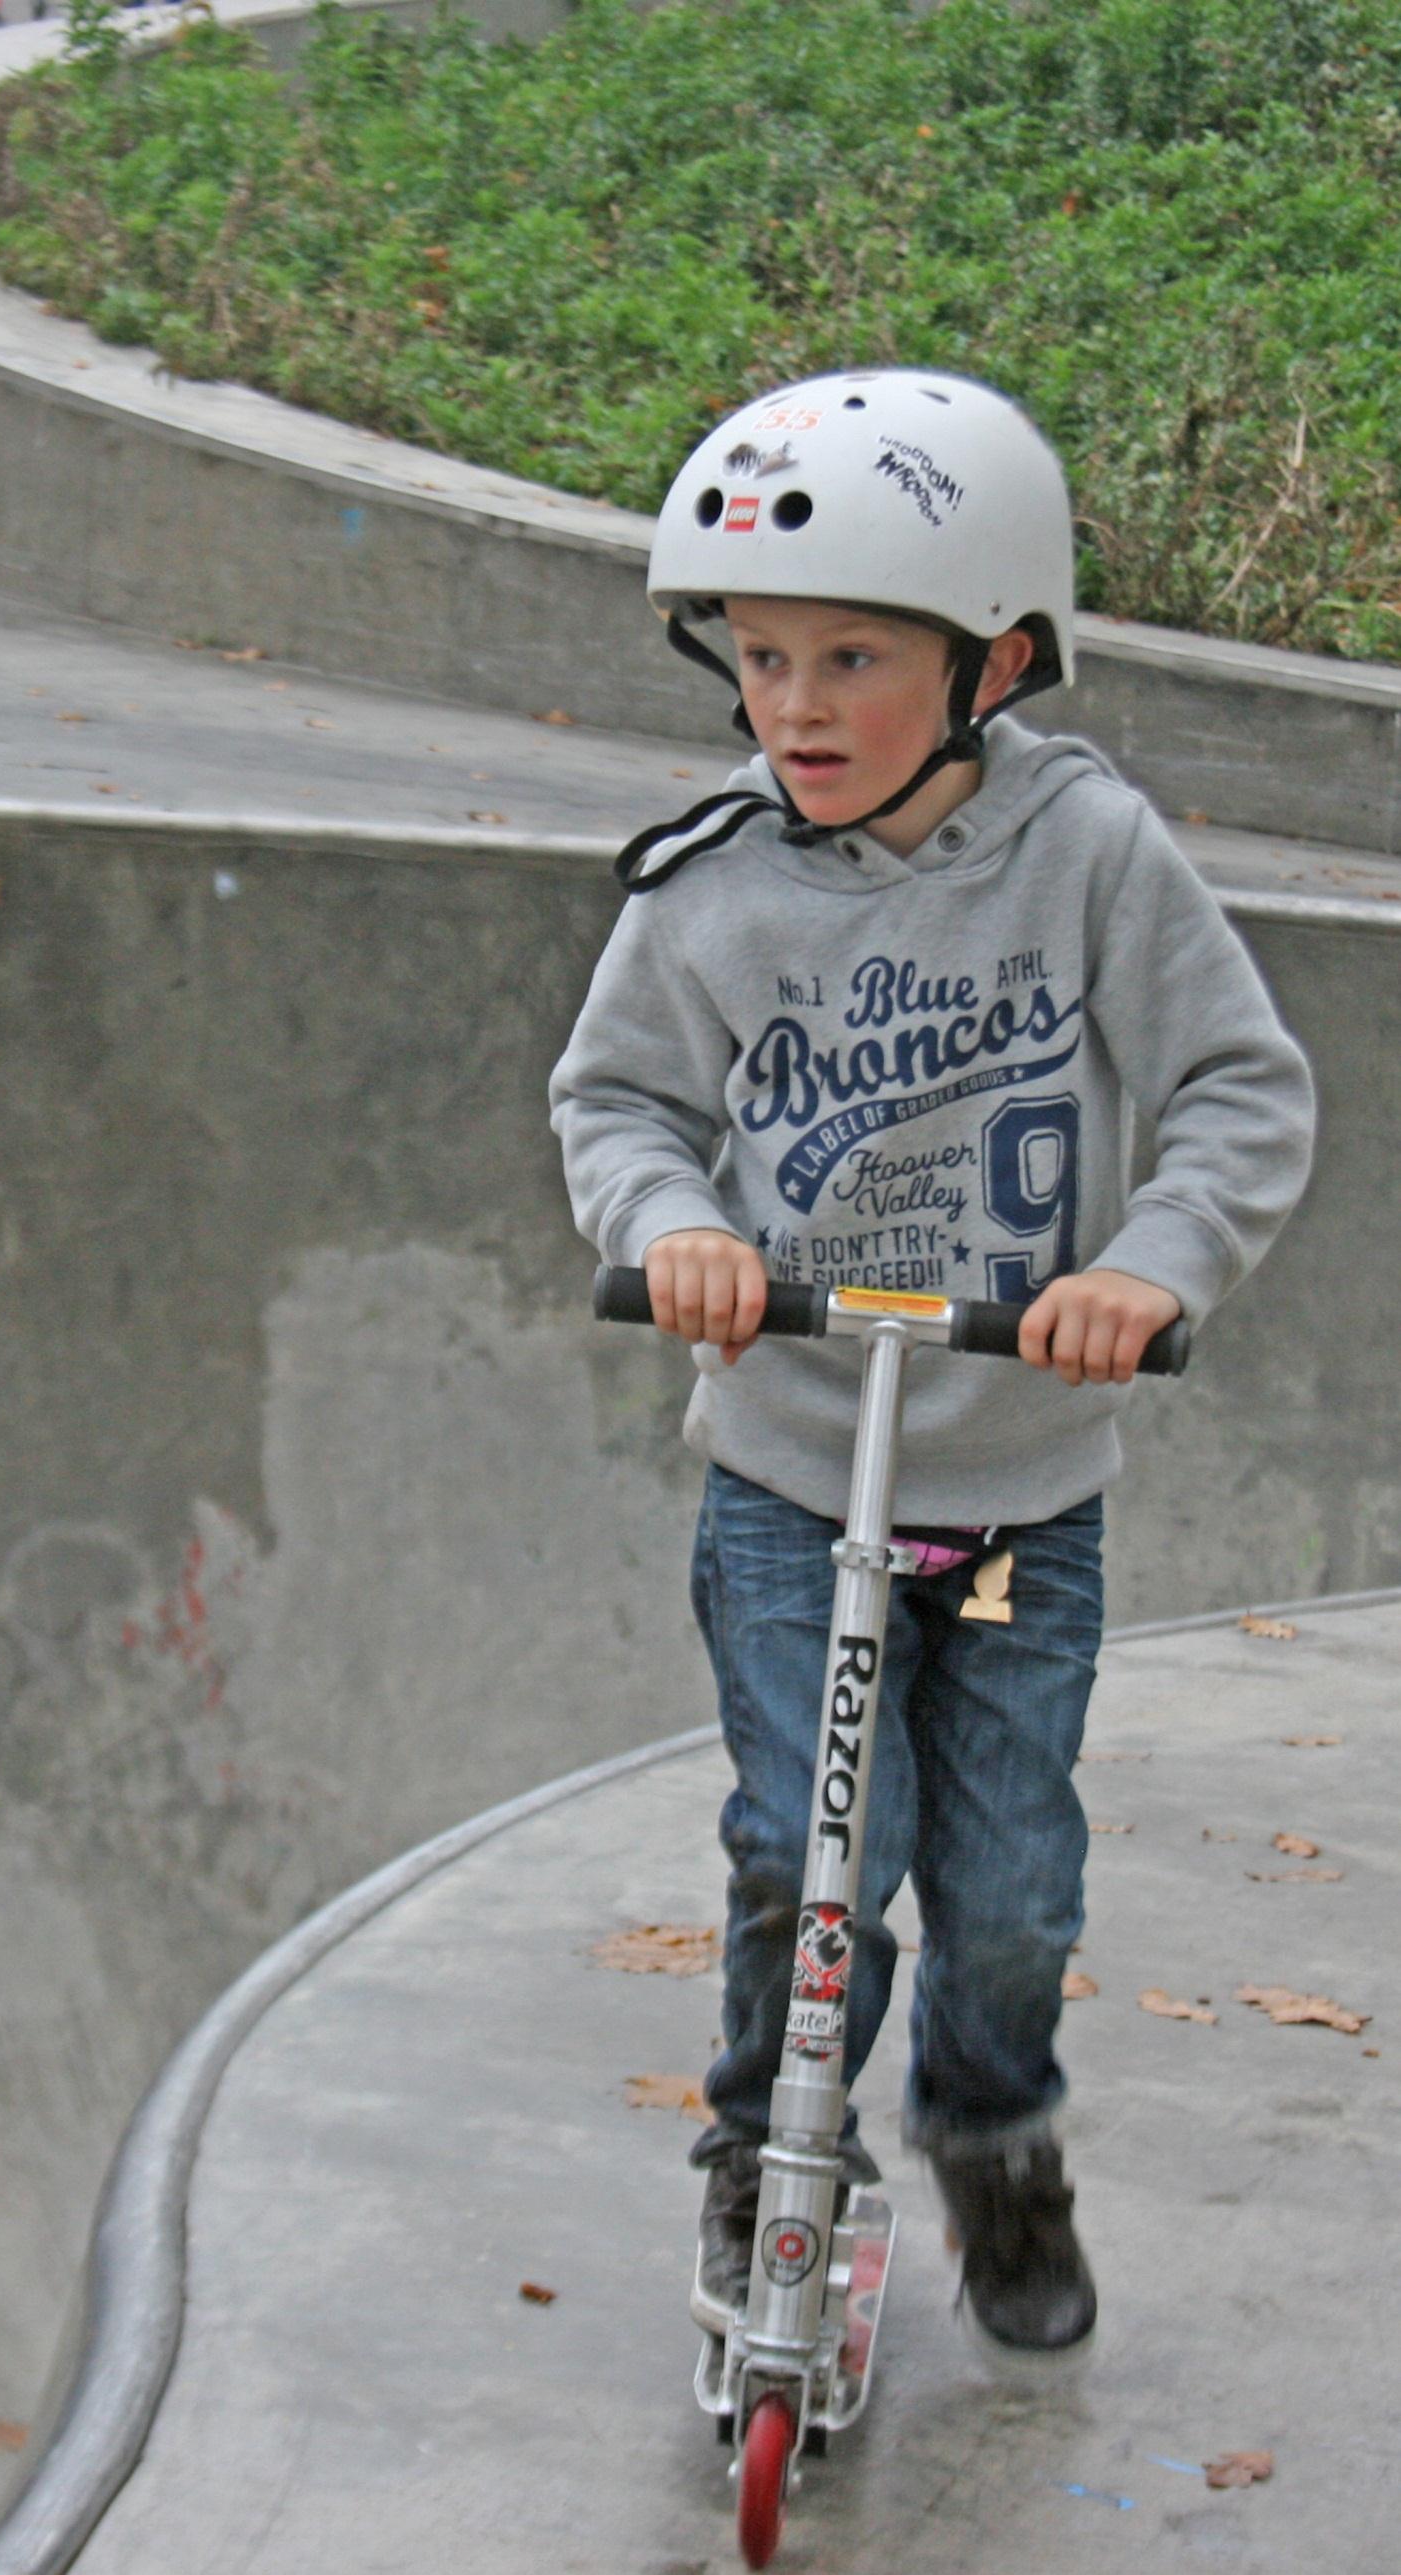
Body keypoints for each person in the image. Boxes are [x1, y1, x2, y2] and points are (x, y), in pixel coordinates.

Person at [549, 369, 1316, 2362]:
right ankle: (766, 2154)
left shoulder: (1091, 857)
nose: (794, 703)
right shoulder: (710, 886)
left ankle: (995, 2137)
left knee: (1009, 1889)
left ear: (997, 656)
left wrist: (1149, 1267)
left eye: (853, 657)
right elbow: (619, 1102)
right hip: (798, 1473)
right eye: (763, 653)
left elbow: (1240, 1087)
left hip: (1015, 1504)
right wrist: (676, 1229)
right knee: (812, 1852)